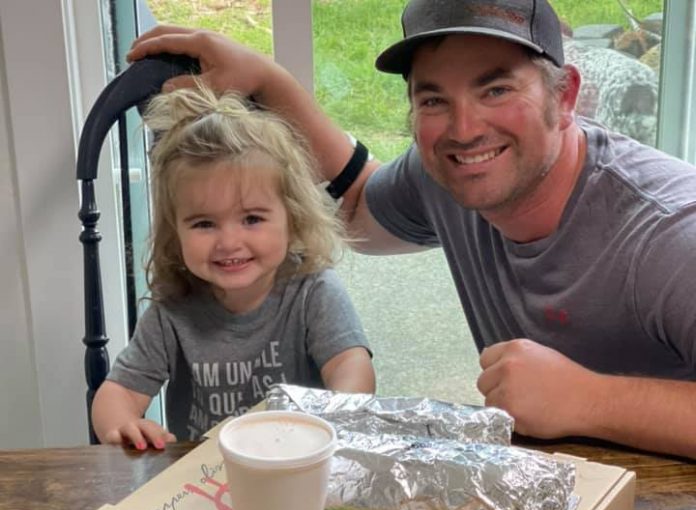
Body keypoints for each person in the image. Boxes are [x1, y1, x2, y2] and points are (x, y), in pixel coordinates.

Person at [127, 0, 696, 459]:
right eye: (433, 99)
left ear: (565, 95)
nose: (465, 128)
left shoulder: (669, 232)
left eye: (495, 89)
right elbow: (354, 206)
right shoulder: (444, 174)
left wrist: (590, 400)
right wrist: (270, 80)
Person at [92, 85, 375, 449]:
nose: (229, 242)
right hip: (201, 481)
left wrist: (336, 415)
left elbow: (351, 367)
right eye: (204, 224)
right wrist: (122, 426)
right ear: (174, 232)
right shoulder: (172, 311)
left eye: (252, 219)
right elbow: (118, 393)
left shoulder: (312, 290)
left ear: (292, 218)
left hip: (298, 464)